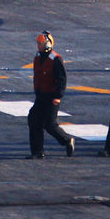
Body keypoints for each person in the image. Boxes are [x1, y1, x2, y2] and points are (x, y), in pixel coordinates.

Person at [27, 31, 75, 159]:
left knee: (50, 124)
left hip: (51, 97)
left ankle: (67, 140)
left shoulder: (55, 59)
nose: (38, 46)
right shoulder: (38, 56)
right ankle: (37, 151)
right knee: (33, 120)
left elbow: (62, 79)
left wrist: (58, 96)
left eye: (40, 43)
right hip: (41, 96)